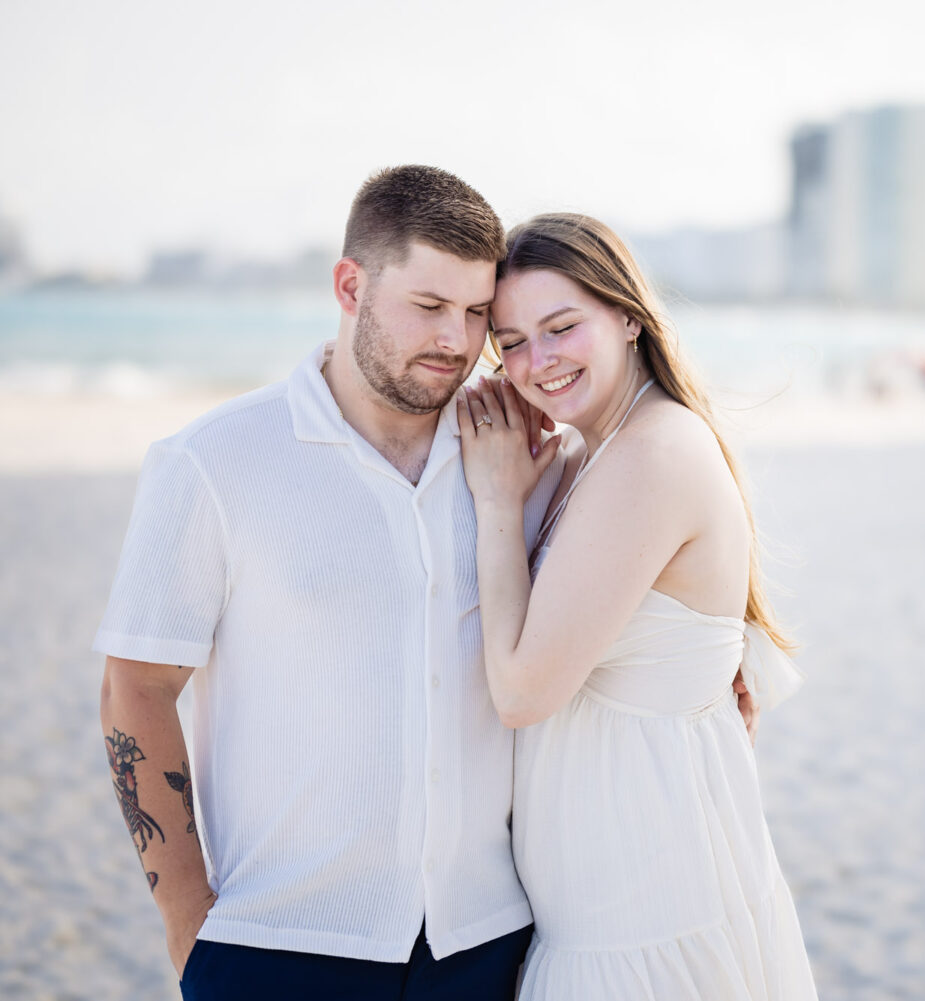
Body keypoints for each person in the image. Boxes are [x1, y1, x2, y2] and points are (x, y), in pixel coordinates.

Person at [95, 165, 580, 999]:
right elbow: (136, 686)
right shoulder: (212, 462)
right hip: (276, 943)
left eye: (474, 314)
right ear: (350, 285)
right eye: (429, 307)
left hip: (486, 942)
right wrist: (189, 928)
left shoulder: (520, 454)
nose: (457, 342)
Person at [457, 212, 817, 999]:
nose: (536, 361)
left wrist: (494, 498)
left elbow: (522, 692)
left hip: (642, 925)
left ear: (626, 315)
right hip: (614, 909)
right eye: (510, 341)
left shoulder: (651, 453)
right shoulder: (596, 451)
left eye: (560, 326)